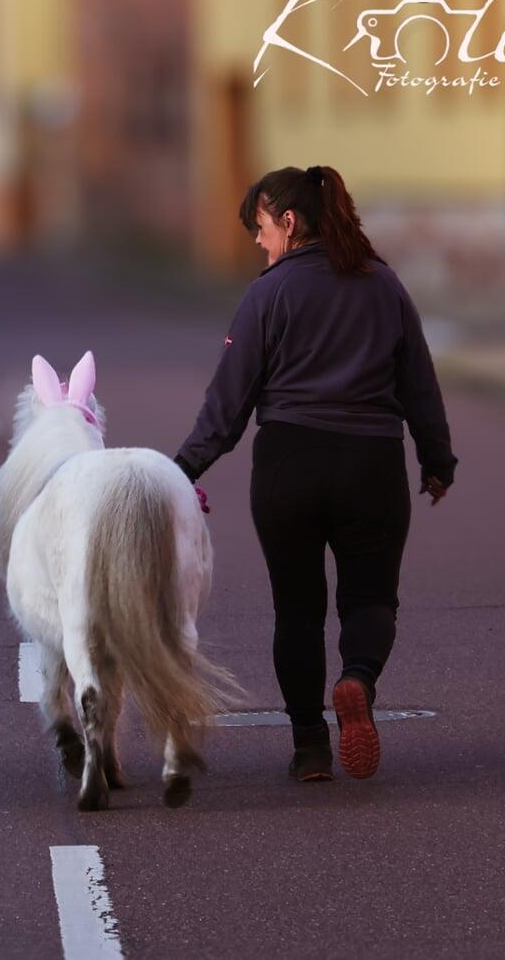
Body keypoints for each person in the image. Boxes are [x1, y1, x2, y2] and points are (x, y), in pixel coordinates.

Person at [173, 165, 456, 783]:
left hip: (289, 464)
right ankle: (357, 679)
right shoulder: (384, 285)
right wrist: (437, 462)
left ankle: (309, 748)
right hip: (372, 464)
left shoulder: (268, 293)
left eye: (260, 227)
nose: (258, 241)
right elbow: (419, 385)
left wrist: (176, 472)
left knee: (297, 610)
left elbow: (227, 407)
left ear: (289, 220)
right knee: (371, 598)